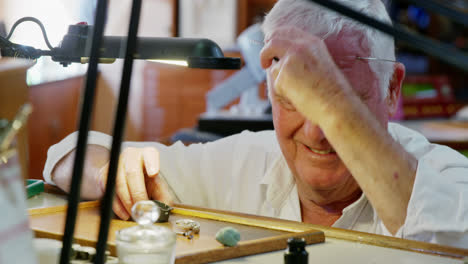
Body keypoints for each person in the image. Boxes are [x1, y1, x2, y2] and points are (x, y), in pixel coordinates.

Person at [44, 0, 468, 248]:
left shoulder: (447, 177)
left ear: (393, 88)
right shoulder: (245, 160)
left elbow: (448, 241)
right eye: (295, 101)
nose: (319, 132)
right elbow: (66, 155)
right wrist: (109, 172)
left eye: (347, 106)